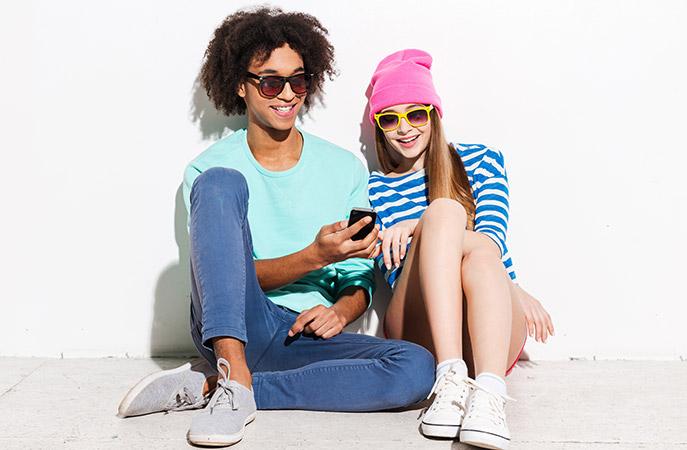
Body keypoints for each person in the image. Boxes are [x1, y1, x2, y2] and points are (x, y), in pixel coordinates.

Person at [116, 10, 434, 447]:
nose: (287, 94)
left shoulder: (344, 168)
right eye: (270, 82)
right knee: (222, 183)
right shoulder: (207, 171)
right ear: (240, 85)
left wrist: (341, 311)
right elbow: (222, 279)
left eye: (298, 81)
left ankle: (220, 388)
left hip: (304, 337)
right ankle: (233, 370)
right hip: (236, 326)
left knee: (417, 368)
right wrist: (315, 256)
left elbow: (359, 276)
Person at [366, 49, 555, 449]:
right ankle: (450, 377)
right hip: (420, 332)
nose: (404, 128)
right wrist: (432, 223)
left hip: (491, 332)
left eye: (416, 114)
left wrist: (418, 226)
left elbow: (491, 240)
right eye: (390, 118)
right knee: (446, 212)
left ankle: (488, 394)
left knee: (468, 240)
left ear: (433, 114)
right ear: (379, 127)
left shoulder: (482, 160)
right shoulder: (376, 187)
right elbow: (392, 266)